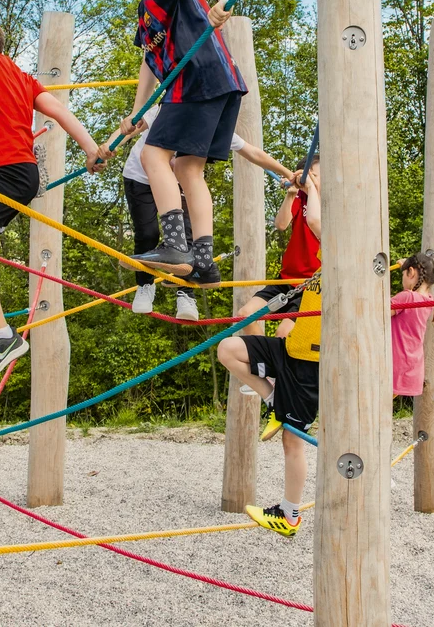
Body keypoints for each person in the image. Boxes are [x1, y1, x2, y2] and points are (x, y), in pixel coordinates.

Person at [0, 17, 111, 381]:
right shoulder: (21, 76)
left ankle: (2, 337)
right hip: (20, 172)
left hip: (6, 170)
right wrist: (91, 148)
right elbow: (60, 111)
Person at [105, 0, 247, 287]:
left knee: (154, 156)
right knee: (187, 169)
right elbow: (149, 61)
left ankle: (174, 245)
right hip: (219, 84)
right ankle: (203, 263)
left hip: (196, 80)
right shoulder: (147, 9)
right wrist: (136, 113)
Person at [116, 104, 293, 320]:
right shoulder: (169, 109)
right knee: (148, 234)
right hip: (140, 178)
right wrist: (109, 146)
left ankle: (186, 293)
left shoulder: (211, 123)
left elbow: (252, 152)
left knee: (189, 237)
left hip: (179, 182)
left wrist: (287, 173)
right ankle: (145, 285)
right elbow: (133, 125)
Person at [216, 222, 323, 537]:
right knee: (228, 349)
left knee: (292, 441)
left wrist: (310, 183)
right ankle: (271, 396)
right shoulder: (317, 273)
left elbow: (317, 220)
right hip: (288, 352)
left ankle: (289, 516)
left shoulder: (346, 273)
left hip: (310, 368)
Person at [237, 156, 321, 340]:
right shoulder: (300, 197)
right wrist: (291, 194)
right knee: (245, 315)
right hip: (287, 278)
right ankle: (268, 364)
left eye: (317, 175)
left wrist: (313, 188)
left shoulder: (330, 203)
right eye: (311, 175)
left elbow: (315, 221)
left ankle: (277, 364)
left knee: (284, 333)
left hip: (313, 285)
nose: (313, 179)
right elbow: (281, 224)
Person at [391, 252, 434, 399]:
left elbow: (374, 310)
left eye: (404, 275)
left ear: (411, 272)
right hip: (412, 366)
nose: (402, 281)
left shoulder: (407, 297)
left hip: (395, 365)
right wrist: (407, 266)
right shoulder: (430, 301)